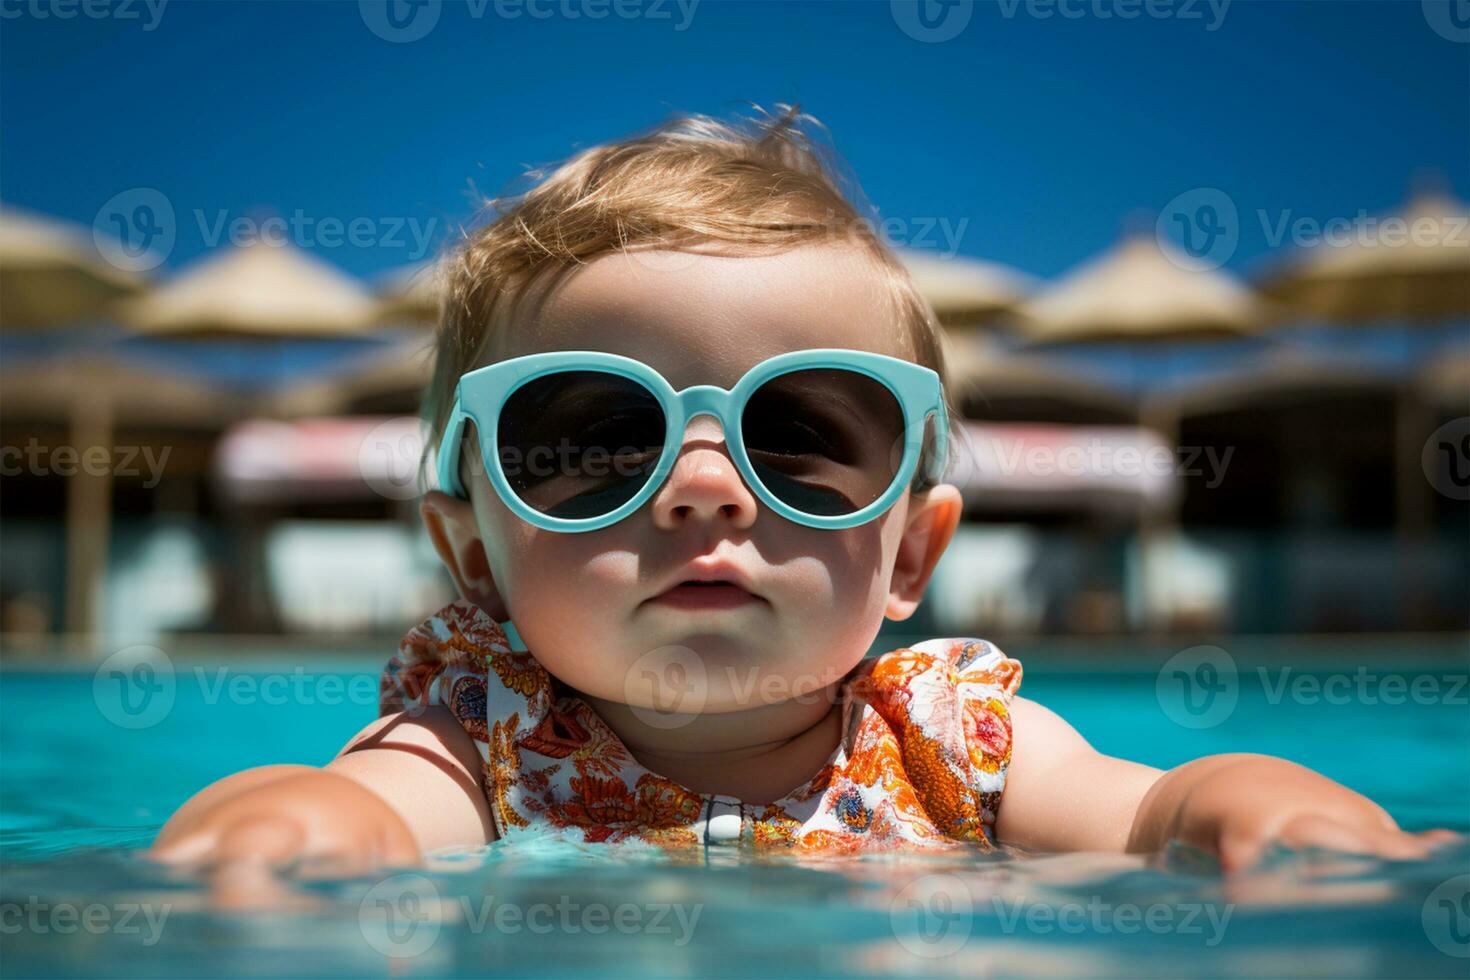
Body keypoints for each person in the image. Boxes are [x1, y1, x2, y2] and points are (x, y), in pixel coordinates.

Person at [152, 106, 1455, 888]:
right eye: (595, 439)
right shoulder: (481, 747)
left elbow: (1152, 809)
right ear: (475, 555)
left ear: (909, 554)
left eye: (800, 436)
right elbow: (361, 813)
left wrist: (1259, 812)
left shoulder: (953, 749)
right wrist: (276, 830)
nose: (701, 489)